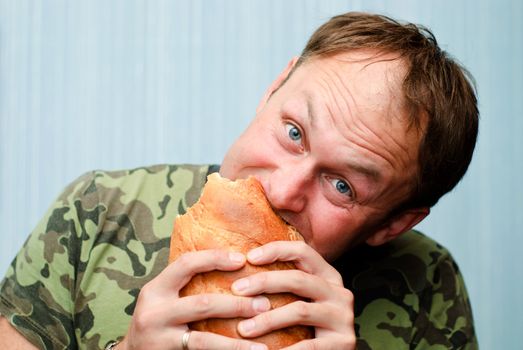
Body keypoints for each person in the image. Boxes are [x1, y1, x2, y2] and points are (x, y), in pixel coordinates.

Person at [0, 12, 478, 350]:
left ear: (392, 224)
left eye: (343, 187)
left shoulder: (427, 282)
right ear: (274, 89)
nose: (282, 190)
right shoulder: (97, 210)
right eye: (294, 133)